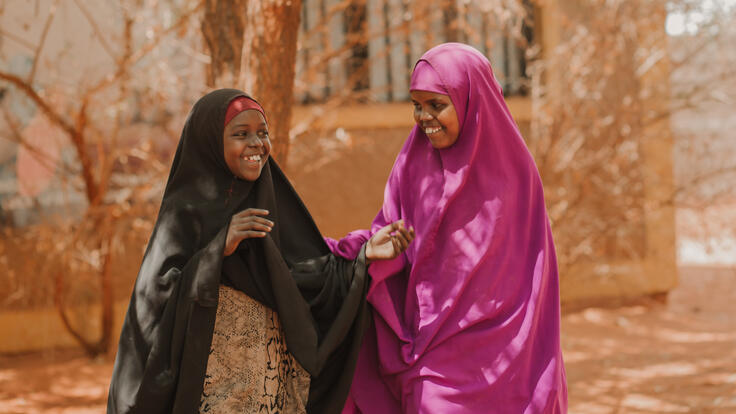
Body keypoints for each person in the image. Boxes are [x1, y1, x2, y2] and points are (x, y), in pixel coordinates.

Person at [106, 88, 414, 414]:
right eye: (241, 134)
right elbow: (155, 305)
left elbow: (309, 278)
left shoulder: (272, 206)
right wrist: (216, 252)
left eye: (262, 133)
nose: (256, 143)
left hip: (269, 400)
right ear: (210, 142)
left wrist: (364, 257)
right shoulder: (183, 215)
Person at [326, 43, 567, 413]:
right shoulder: (412, 164)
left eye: (436, 105)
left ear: (471, 100)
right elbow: (391, 232)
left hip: (504, 356)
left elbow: (533, 281)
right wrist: (363, 252)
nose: (424, 118)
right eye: (417, 105)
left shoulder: (516, 176)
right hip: (429, 352)